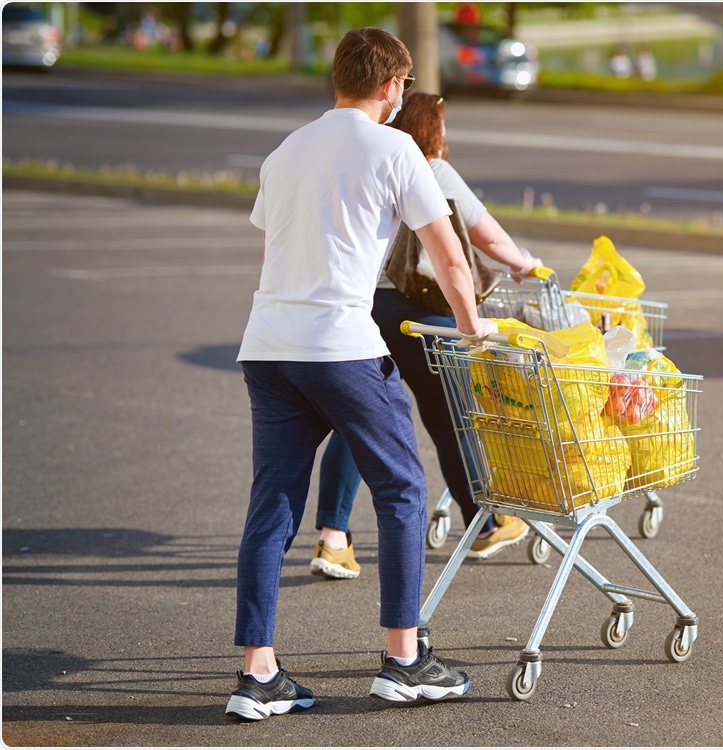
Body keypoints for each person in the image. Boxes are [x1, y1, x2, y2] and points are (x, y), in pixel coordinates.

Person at [226, 27, 498, 722]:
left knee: (273, 506)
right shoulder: (395, 147)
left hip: (268, 345)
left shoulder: (287, 150)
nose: (402, 96)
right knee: (403, 486)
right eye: (402, 85)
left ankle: (258, 674)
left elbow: (283, 242)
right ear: (389, 86)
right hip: (340, 344)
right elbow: (449, 256)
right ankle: (405, 661)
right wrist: (474, 327)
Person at [310, 91, 542, 578]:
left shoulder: (368, 158)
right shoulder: (429, 168)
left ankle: (332, 540)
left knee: (358, 419)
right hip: (422, 314)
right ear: (433, 129)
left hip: (367, 309)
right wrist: (525, 264)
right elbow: (485, 236)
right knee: (449, 419)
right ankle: (484, 526)